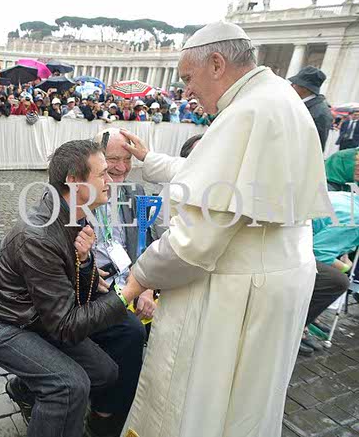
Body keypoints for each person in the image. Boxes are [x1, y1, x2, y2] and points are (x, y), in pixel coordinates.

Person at [120, 21, 329, 437]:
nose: (186, 92)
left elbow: (193, 243)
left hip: (240, 290)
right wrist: (150, 159)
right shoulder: (277, 97)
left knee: (206, 404)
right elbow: (220, 177)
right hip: (277, 278)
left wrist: (139, 278)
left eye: (188, 78)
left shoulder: (246, 112)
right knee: (249, 405)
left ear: (216, 63)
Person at [0, 140, 134, 437]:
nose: (110, 181)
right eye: (102, 174)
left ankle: (25, 389)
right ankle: (49, 400)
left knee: (105, 372)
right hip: (0, 321)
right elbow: (65, 326)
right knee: (68, 386)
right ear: (74, 181)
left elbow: (71, 296)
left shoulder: (74, 215)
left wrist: (85, 263)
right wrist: (127, 294)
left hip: (37, 316)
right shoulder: (40, 236)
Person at [84, 129, 157, 436]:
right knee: (131, 331)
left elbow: (145, 245)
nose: (122, 167)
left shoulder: (133, 192)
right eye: (113, 159)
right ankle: (105, 415)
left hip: (130, 278)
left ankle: (149, 398)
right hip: (93, 284)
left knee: (167, 314)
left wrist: (147, 286)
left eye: (128, 159)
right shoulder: (78, 194)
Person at [298, 190, 357, 356]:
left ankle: (307, 318)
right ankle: (295, 327)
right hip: (287, 247)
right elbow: (318, 253)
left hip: (294, 237)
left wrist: (344, 257)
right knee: (336, 280)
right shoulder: (355, 219)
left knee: (333, 276)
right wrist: (345, 267)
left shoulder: (351, 199)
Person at [289, 66, 333, 150]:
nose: (291, 86)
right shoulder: (302, 105)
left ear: (305, 88)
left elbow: (317, 147)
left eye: (294, 84)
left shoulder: (321, 114)